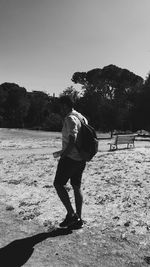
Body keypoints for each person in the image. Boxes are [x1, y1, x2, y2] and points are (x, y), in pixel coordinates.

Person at [53, 96, 88, 229]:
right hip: (81, 158)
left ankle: (71, 214)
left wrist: (63, 155)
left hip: (70, 158)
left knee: (58, 184)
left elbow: (72, 139)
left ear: (66, 105)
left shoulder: (69, 118)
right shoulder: (81, 116)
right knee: (76, 186)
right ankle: (78, 218)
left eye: (61, 106)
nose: (60, 109)